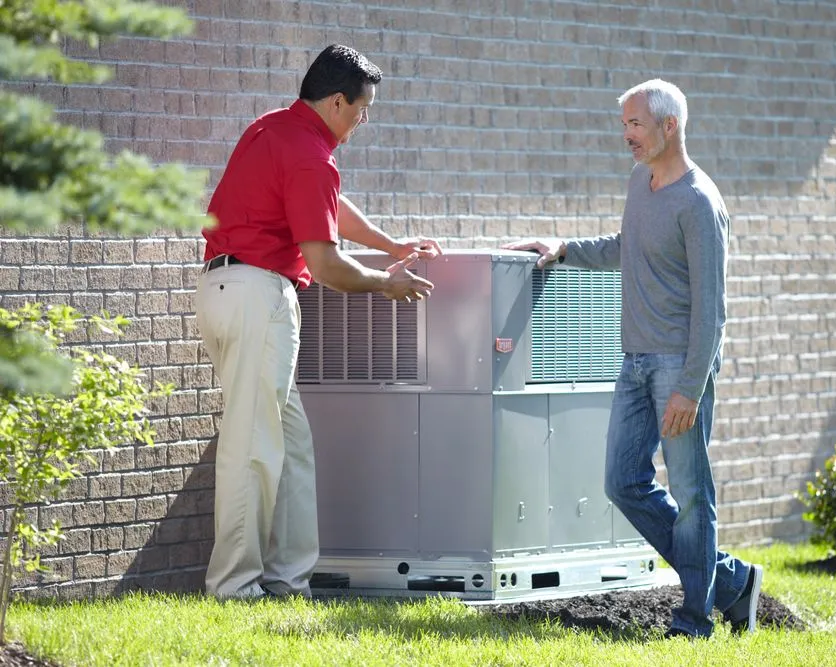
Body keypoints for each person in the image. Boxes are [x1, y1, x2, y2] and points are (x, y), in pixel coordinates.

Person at [504, 79, 761, 638]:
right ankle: (731, 582)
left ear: (670, 126)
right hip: (635, 360)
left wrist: (690, 388)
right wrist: (566, 248)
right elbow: (627, 247)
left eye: (635, 124)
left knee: (692, 494)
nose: (626, 135)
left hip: (679, 366)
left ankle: (695, 620)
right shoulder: (639, 185)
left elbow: (712, 311)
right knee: (622, 481)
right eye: (623, 124)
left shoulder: (699, 203)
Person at [195, 44, 441, 600]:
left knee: (291, 447)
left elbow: (327, 205)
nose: (364, 119)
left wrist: (388, 244)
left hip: (232, 289)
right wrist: (386, 281)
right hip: (258, 296)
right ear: (336, 101)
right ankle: (234, 589)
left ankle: (286, 582)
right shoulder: (310, 154)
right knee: (254, 446)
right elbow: (326, 264)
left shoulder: (277, 130)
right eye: (362, 108)